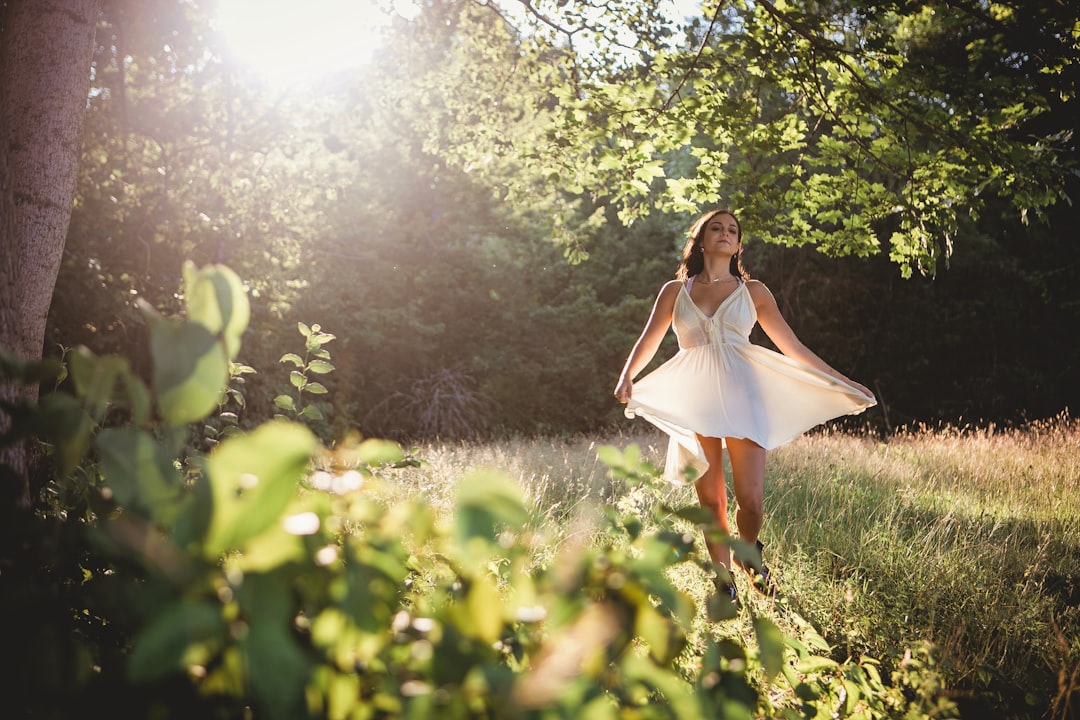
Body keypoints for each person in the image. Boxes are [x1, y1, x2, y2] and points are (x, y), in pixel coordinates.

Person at [614, 209, 876, 602]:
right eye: (715, 228)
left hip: (745, 398)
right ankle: (724, 582)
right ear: (701, 240)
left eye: (731, 230)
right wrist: (628, 374)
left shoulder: (754, 293)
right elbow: (648, 340)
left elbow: (794, 348)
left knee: (751, 501)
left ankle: (749, 555)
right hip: (696, 401)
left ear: (738, 245)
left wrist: (842, 381)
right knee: (711, 501)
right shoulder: (675, 291)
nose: (724, 234)